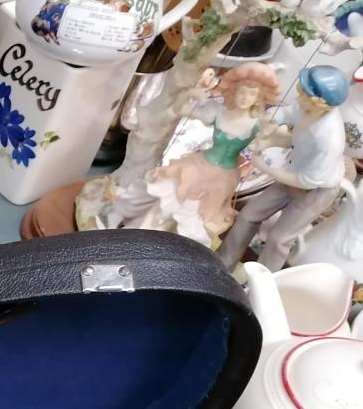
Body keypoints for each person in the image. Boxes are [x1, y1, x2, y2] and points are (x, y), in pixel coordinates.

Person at [216, 64, 350, 270]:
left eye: (303, 94)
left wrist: (263, 167)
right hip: (294, 171)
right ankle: (223, 263)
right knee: (249, 215)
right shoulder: (308, 108)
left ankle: (260, 286)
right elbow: (289, 114)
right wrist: (270, 120)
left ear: (320, 103)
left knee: (279, 239)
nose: (298, 97)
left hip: (316, 189)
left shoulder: (329, 140)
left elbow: (306, 181)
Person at [138, 63, 282, 246]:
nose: (245, 98)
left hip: (224, 175)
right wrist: (189, 94)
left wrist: (272, 139)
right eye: (242, 92)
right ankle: (145, 235)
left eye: (251, 94)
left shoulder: (257, 124)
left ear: (258, 98)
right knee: (170, 196)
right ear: (234, 92)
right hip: (200, 164)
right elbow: (184, 110)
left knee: (196, 214)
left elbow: (275, 141)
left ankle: (175, 246)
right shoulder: (219, 112)